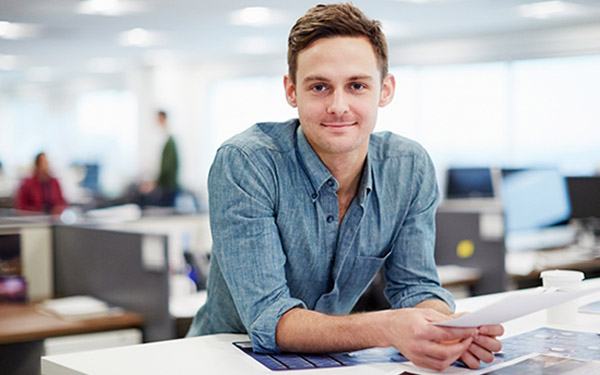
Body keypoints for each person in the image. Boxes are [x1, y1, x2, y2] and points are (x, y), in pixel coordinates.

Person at [187, 3, 503, 371]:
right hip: (230, 359)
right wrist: (389, 326)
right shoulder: (247, 163)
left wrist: (446, 329)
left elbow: (417, 287)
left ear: (385, 90)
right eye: (319, 87)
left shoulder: (409, 166)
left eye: (356, 85)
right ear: (291, 91)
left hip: (331, 360)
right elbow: (269, 319)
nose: (339, 106)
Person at [139, 110, 180, 207]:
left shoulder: (169, 141)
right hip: (165, 185)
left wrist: (155, 183)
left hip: (168, 186)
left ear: (162, 118)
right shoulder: (162, 138)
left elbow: (166, 167)